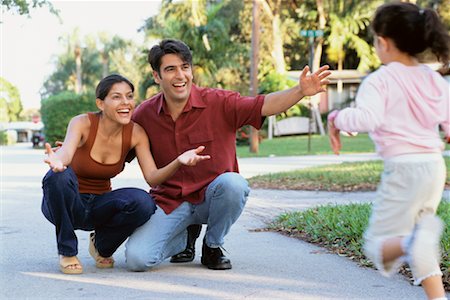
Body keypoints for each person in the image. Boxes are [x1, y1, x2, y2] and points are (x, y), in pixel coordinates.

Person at [125, 39, 331, 271]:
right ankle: (185, 236)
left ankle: (212, 245)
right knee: (137, 260)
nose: (180, 75)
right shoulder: (144, 114)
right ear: (157, 76)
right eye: (170, 69)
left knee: (234, 184)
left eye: (184, 67)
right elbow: (116, 144)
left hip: (211, 197)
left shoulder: (219, 102)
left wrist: (300, 91)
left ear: (191, 70)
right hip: (171, 202)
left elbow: (264, 105)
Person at [327, 3, 449, 299]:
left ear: (382, 42)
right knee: (421, 242)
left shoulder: (380, 80)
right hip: (434, 168)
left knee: (377, 245)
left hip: (404, 171)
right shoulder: (433, 78)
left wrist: (337, 119)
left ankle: (411, 243)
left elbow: (368, 119)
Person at [42, 74, 210, 275]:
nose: (125, 103)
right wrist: (58, 160)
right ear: (100, 103)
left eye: (129, 96)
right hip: (70, 203)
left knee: (143, 202)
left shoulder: (136, 133)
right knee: (57, 177)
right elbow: (67, 152)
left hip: (99, 206)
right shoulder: (82, 123)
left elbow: (152, 177)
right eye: (116, 97)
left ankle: (101, 245)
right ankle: (67, 251)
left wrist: (178, 162)